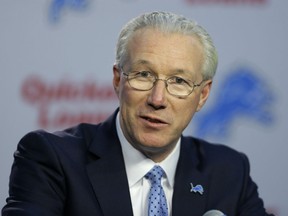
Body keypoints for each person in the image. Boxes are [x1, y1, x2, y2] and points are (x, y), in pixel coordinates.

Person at [2, 11, 273, 216]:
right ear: (118, 80)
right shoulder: (51, 159)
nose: (157, 99)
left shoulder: (229, 171)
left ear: (202, 95)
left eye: (179, 81)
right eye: (143, 75)